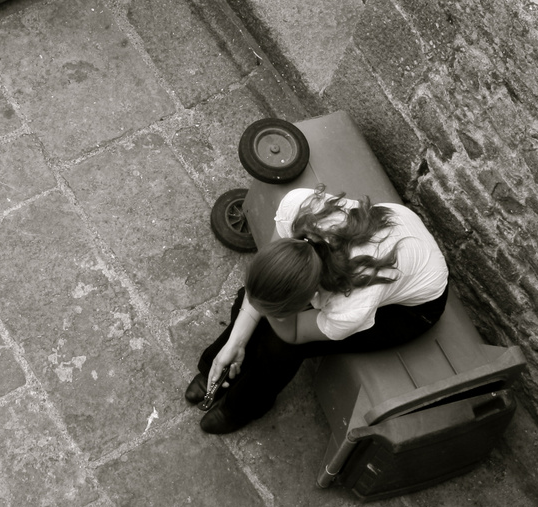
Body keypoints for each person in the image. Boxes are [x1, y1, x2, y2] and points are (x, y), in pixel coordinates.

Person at [187, 184, 450, 433]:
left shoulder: (349, 305)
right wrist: (235, 343)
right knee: (252, 298)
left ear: (313, 296)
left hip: (413, 310)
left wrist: (267, 320)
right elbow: (260, 293)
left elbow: (292, 335)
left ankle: (243, 407)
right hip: (397, 233)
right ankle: (217, 365)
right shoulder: (298, 208)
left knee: (281, 346)